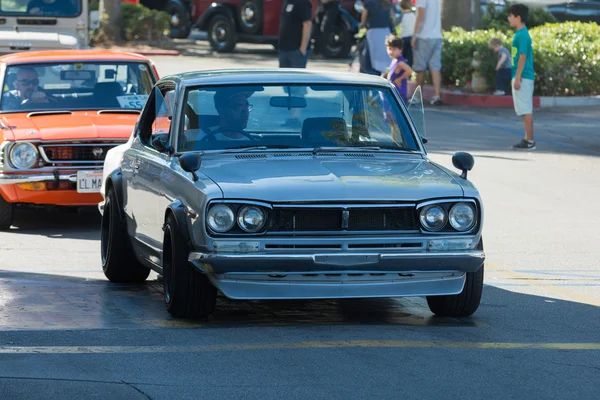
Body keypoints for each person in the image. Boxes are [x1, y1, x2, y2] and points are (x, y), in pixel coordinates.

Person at [508, 3, 536, 150]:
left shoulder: (523, 35)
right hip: (521, 76)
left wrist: (518, 77)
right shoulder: (520, 34)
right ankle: (527, 138)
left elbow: (523, 57)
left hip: (523, 76)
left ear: (518, 17)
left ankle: (529, 140)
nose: (509, 19)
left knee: (526, 109)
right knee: (524, 109)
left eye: (511, 16)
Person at [411, 0, 443, 105]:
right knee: (435, 67)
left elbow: (420, 16)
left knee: (420, 68)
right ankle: (436, 95)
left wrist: (414, 35)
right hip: (437, 35)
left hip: (424, 36)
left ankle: (417, 97)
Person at [361, 0, 396, 75]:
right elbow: (393, 18)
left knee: (371, 57)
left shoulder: (369, 3)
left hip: (373, 32)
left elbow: (363, 18)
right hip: (386, 32)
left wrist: (363, 25)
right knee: (384, 56)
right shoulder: (388, 3)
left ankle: (373, 75)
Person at [278, 0, 313, 68]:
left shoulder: (303, 3)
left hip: (296, 51)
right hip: (283, 50)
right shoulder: (286, 2)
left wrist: (302, 49)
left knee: (296, 77)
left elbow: (307, 25)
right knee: (284, 77)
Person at [384, 35, 413, 104]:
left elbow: (409, 71)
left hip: (398, 94)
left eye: (394, 49)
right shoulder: (395, 60)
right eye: (389, 49)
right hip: (393, 93)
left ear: (400, 49)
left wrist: (399, 79)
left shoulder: (400, 62)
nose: (391, 51)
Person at [398, 0, 416, 67]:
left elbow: (395, 23)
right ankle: (409, 70)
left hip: (404, 38)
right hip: (411, 38)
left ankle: (403, 70)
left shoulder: (402, 16)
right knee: (409, 56)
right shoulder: (413, 15)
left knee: (403, 55)